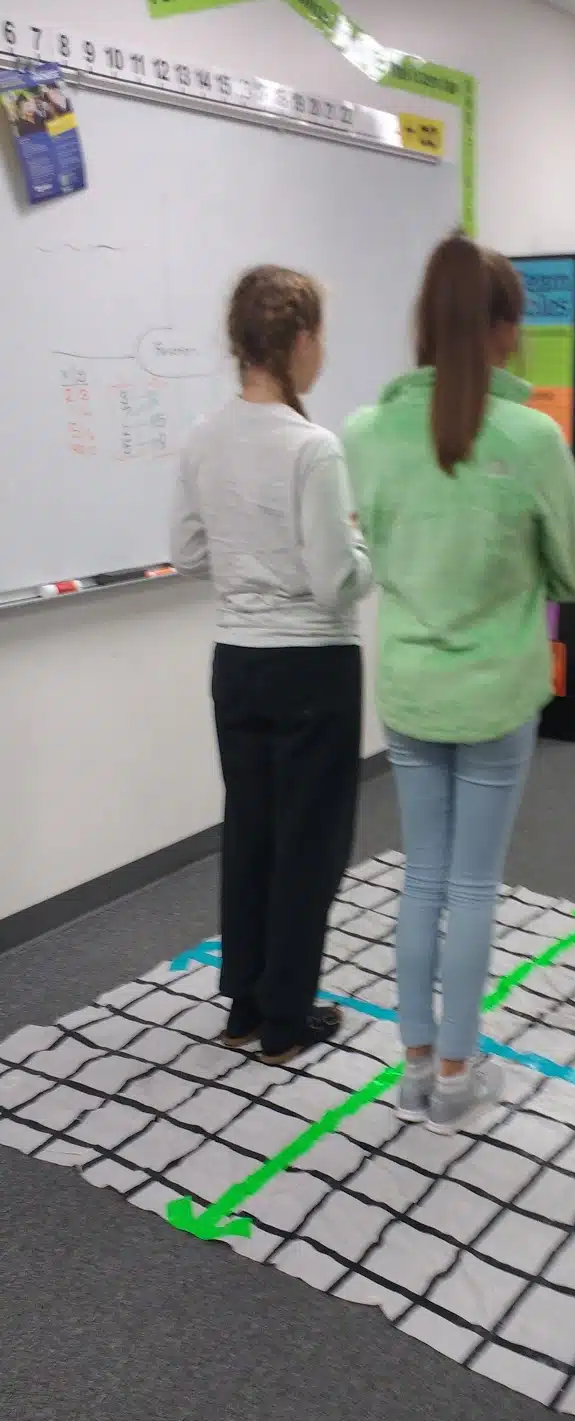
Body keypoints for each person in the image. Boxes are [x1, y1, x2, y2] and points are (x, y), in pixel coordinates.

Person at [344, 234, 575, 1135]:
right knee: (474, 887)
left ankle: (413, 1071)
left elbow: (370, 547)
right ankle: (458, 1073)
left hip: (410, 689)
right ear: (503, 331)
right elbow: (572, 574)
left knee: (423, 879)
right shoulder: (532, 437)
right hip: (495, 693)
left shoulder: (366, 433)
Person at [171, 264, 372, 1064]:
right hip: (313, 667)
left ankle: (245, 1005)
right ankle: (289, 1017)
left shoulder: (202, 436)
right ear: (296, 342)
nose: (321, 352)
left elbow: (186, 551)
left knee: (251, 830)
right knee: (309, 844)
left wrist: (247, 559)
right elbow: (337, 579)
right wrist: (365, 542)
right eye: (319, 336)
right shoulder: (311, 447)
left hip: (237, 662)